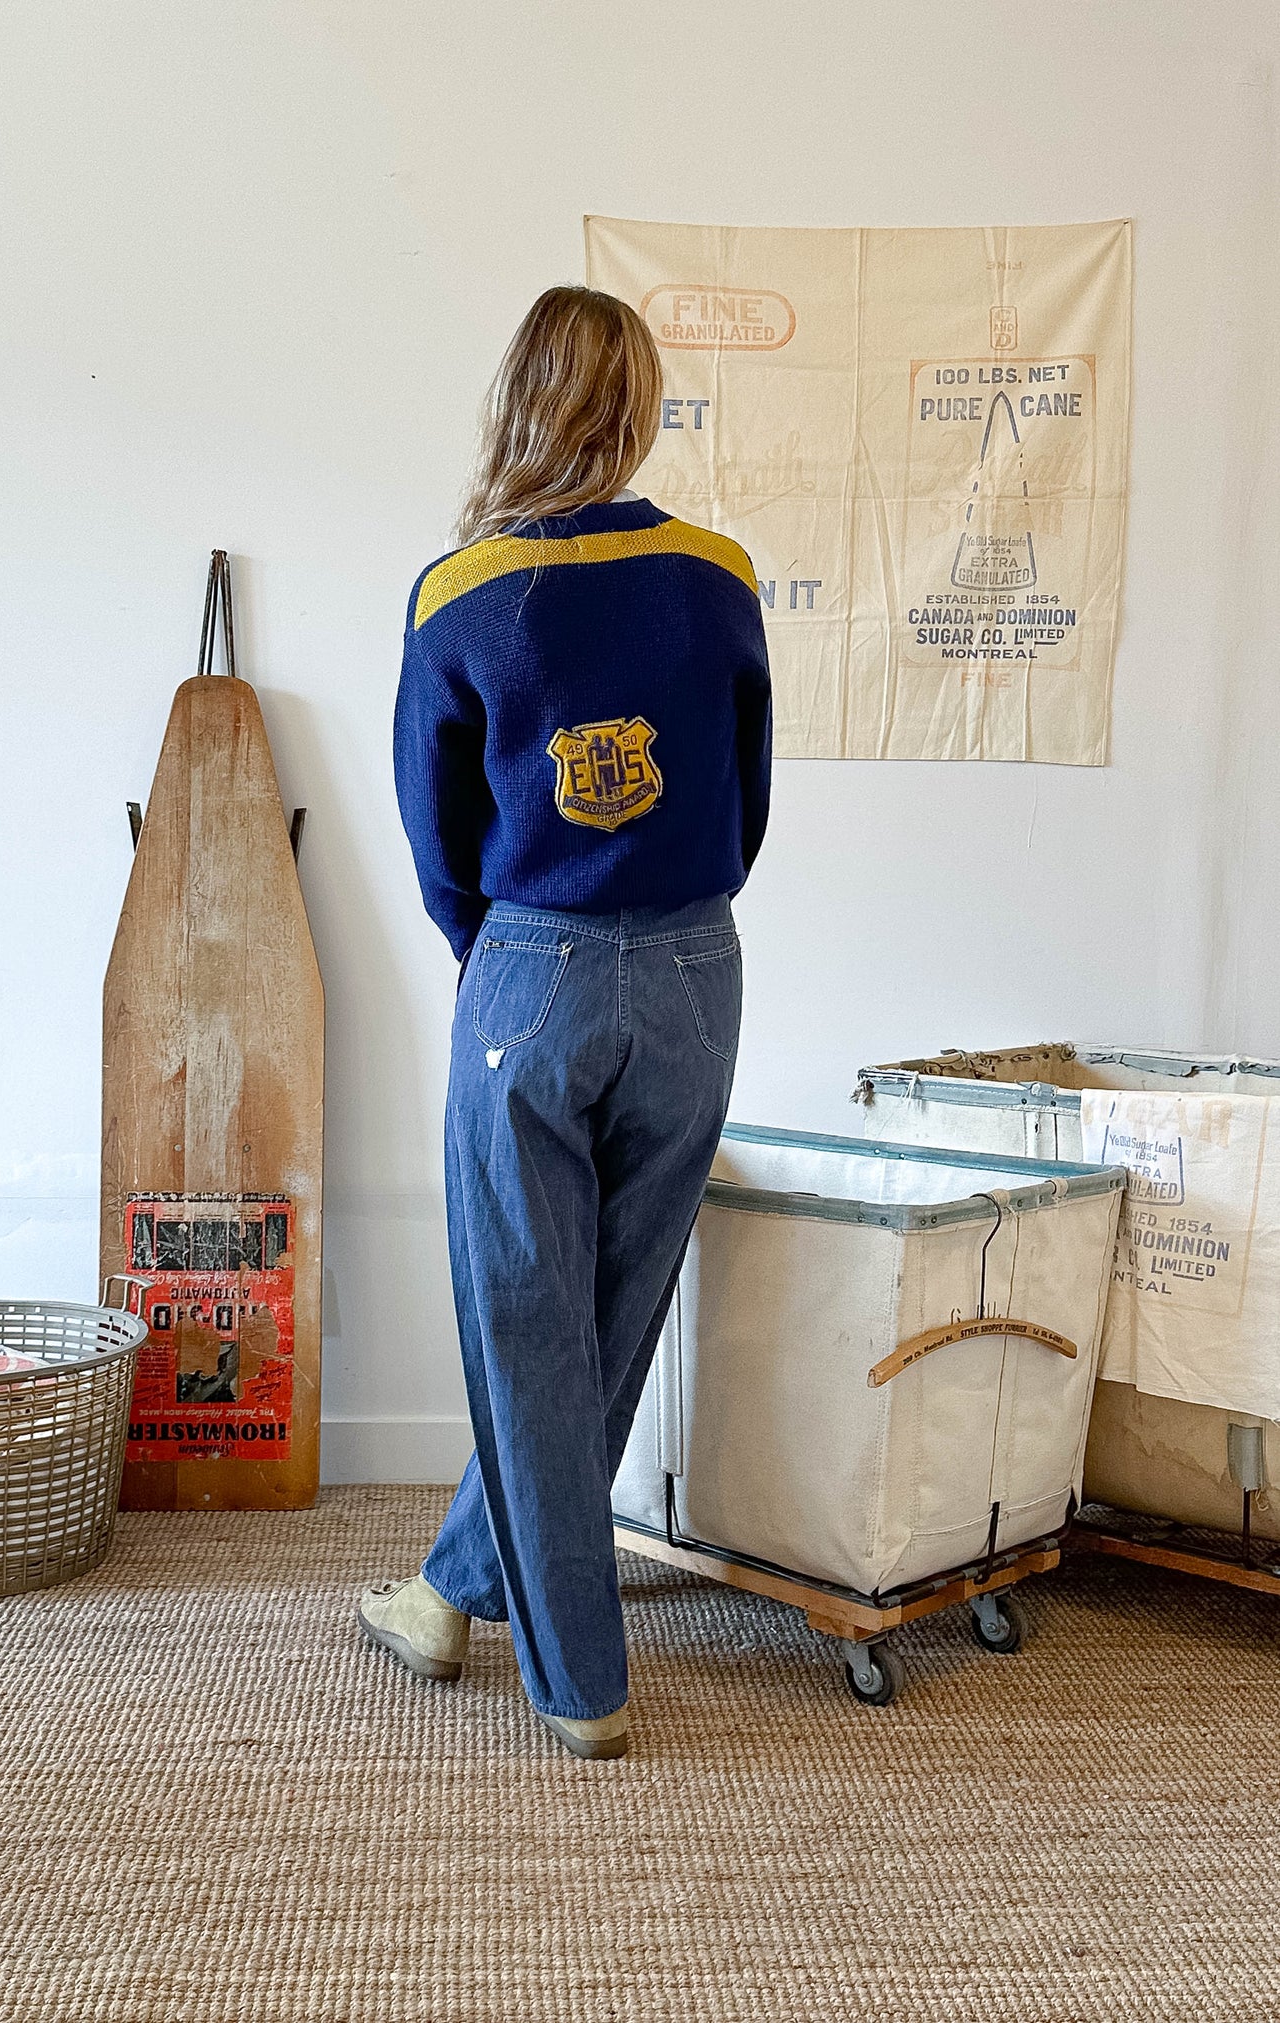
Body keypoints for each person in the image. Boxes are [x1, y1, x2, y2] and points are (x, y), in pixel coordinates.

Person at [362, 284, 772, 1759]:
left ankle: (581, 1687)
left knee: (526, 1329)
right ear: (641, 406)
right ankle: (445, 1594)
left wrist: (502, 956)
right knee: (608, 1322)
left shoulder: (460, 592)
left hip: (530, 964)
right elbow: (747, 793)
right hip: (696, 969)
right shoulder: (717, 575)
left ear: (516, 400)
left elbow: (435, 837)